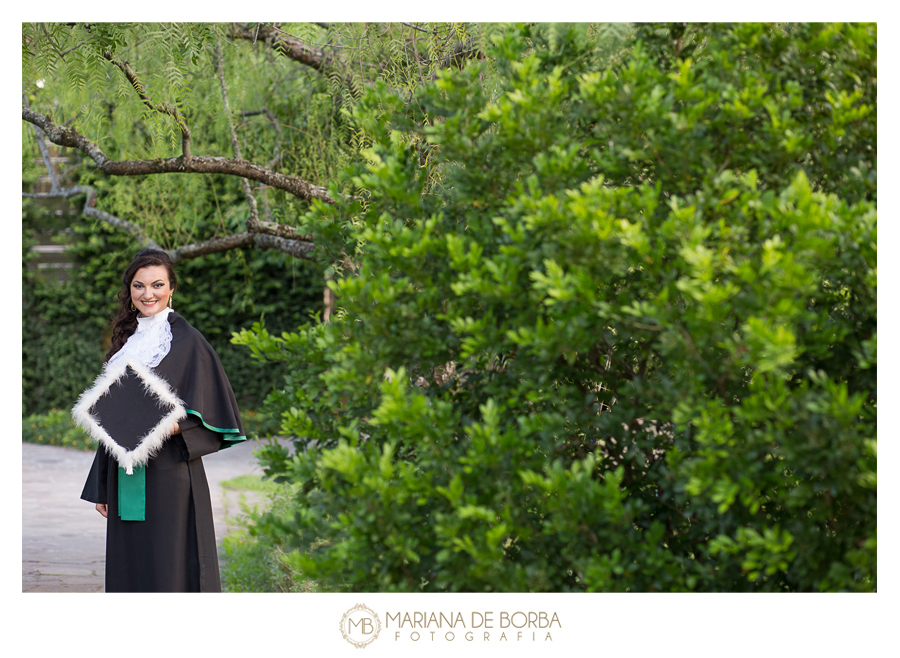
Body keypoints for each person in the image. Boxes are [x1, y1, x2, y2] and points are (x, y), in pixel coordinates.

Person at [77, 248, 245, 592]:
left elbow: (218, 414)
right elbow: (114, 419)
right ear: (130, 291)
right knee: (131, 566)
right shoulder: (127, 342)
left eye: (157, 285)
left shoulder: (188, 341)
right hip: (126, 477)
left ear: (172, 289)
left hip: (169, 475)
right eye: (139, 286)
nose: (147, 293)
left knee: (169, 566)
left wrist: (175, 426)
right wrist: (103, 484)